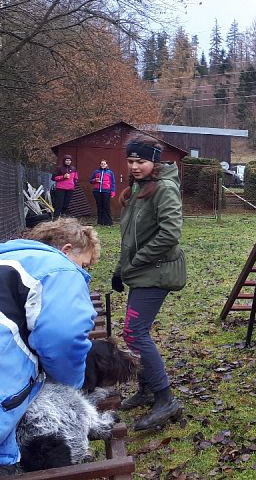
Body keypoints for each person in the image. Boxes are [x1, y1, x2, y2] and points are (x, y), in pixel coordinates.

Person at [0, 218, 99, 475]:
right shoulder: (59, 268)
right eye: (85, 264)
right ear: (66, 251)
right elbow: (62, 336)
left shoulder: (10, 261)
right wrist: (69, 388)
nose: (84, 272)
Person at [112, 135, 185, 432]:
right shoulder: (138, 189)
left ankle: (165, 398)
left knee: (134, 333)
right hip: (141, 272)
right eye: (130, 161)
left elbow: (170, 234)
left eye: (140, 161)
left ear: (154, 161)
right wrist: (120, 269)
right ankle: (144, 390)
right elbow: (130, 238)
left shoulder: (165, 189)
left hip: (157, 272)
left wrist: (136, 261)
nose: (134, 166)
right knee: (134, 333)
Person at [89, 160, 116, 226]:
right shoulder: (96, 172)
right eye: (102, 164)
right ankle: (100, 222)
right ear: (100, 165)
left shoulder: (110, 172)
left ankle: (108, 222)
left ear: (106, 165)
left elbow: (113, 183)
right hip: (97, 191)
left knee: (106, 207)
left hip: (106, 191)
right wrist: (95, 180)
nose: (103, 165)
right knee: (99, 207)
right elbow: (90, 181)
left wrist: (113, 192)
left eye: (104, 164)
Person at [51, 155, 78, 219]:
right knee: (59, 203)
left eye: (69, 160)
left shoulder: (73, 168)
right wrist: (63, 177)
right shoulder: (59, 168)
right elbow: (53, 178)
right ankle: (56, 217)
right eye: (67, 160)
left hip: (70, 189)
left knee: (66, 203)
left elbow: (76, 177)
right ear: (64, 161)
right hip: (60, 188)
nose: (68, 162)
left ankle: (63, 216)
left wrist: (74, 183)